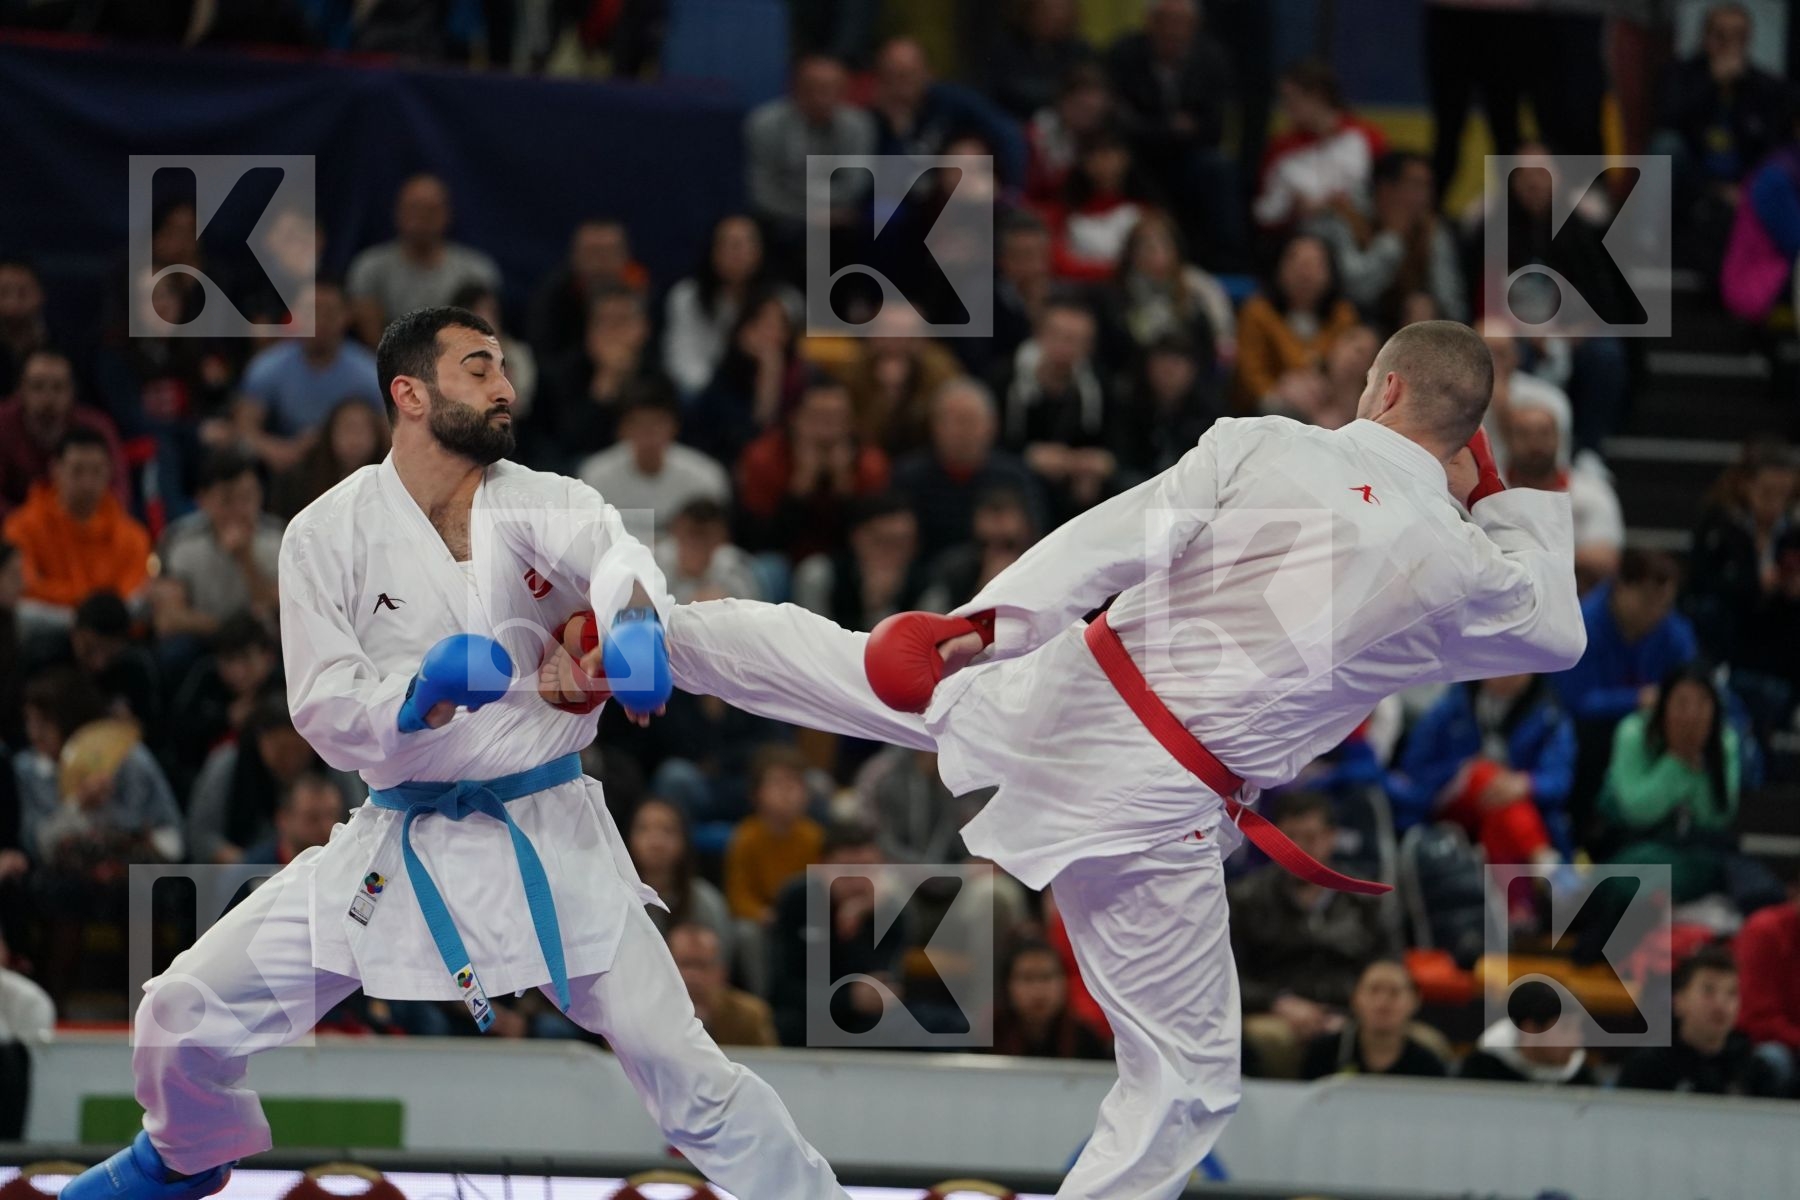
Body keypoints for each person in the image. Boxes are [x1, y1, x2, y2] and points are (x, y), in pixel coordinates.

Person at [652, 319, 1585, 1197]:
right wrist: (1504, 501)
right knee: (1187, 1079)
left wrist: (979, 627)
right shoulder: (1461, 566)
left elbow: (1107, 541)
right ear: (1468, 436)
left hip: (1071, 690)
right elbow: (1557, 634)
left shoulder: (1263, 441)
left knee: (837, 665)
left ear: (1383, 387)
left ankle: (650, 639)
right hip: (1156, 804)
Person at [60, 305, 853, 1200]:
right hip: (398, 843)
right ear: (410, 392)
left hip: (549, 836)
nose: (505, 387)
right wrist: (416, 700)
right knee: (178, 1011)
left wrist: (632, 621)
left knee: (688, 1077)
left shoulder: (540, 499)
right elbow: (319, 706)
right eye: (479, 368)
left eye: (505, 368)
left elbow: (616, 551)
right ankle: (186, 1154)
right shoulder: (327, 533)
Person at [1229, 791, 1397, 1078]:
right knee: (1268, 1040)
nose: (1298, 848)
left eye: (1309, 837)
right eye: (1289, 837)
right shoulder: (1247, 897)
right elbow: (1227, 976)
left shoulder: (1365, 900)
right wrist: (1278, 1003)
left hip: (1350, 1014)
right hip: (1274, 1014)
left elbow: (1389, 969)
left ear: (1331, 837)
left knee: (1420, 1044)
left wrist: (1357, 1014)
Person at [1595, 663, 1748, 908]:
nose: (1691, 714)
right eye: (1682, 703)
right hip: (1632, 843)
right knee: (1626, 880)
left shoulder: (1723, 740)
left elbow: (1717, 817)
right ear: (1663, 704)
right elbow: (1637, 812)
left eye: (1702, 704)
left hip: (1698, 852)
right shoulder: (1634, 733)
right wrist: (1676, 764)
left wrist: (1696, 768)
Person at [1105, 0, 1242, 267]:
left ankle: (1228, 263)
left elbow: (1214, 127)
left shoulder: (1213, 59)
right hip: (1138, 156)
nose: (1173, 31)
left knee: (1219, 167)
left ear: (1195, 27)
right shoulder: (1123, 54)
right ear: (1150, 23)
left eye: (1181, 23)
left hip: (1190, 158)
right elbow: (1119, 120)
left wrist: (1153, 125)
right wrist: (1171, 127)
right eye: (1166, 21)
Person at [1389, 674, 1577, 866]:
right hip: (1448, 802)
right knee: (1484, 776)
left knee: (1499, 813)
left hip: (1510, 814)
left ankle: (1522, 888)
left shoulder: (1549, 715)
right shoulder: (1454, 704)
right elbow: (1415, 766)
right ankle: (1544, 862)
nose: (1507, 673)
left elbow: (1560, 780)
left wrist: (1527, 783)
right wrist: (1462, 770)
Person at [222, 280, 382, 473]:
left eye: (328, 313)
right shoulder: (268, 367)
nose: (319, 321)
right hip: (287, 469)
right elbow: (244, 429)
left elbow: (390, 436)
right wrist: (278, 451)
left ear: (345, 316)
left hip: (351, 470)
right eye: (310, 313)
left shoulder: (368, 372)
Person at [736, 376, 892, 563]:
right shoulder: (764, 458)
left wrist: (844, 489)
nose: (827, 430)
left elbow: (874, 541)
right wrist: (799, 489)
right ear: (795, 418)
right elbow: (755, 541)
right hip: (782, 561)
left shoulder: (871, 464)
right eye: (818, 417)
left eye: (837, 418)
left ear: (852, 423)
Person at [2, 427, 151, 618]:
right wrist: (94, 605)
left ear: (110, 471)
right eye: (77, 471)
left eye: (96, 471)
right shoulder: (21, 528)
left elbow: (131, 596)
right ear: (55, 469)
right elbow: (23, 589)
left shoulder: (133, 536)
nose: (87, 483)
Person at [891, 378, 1044, 563]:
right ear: (933, 426)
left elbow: (1038, 539)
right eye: (948, 421)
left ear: (992, 425)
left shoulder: (1015, 477)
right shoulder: (909, 478)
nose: (959, 431)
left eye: (968, 421)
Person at [1308, 151, 1467, 328]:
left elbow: (1450, 302)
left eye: (1428, 187)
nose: (1425, 197)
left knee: (1421, 306)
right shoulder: (1346, 218)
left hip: (1402, 328)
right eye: (1416, 186)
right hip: (1341, 323)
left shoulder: (1430, 229)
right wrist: (1392, 240)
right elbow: (1355, 291)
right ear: (1386, 188)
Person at [345, 174, 502, 345]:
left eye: (430, 210)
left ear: (447, 214)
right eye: (413, 208)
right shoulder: (370, 268)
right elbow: (372, 340)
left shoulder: (476, 270)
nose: (421, 217)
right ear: (398, 212)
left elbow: (484, 333)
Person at [744, 54, 877, 251]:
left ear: (844, 91)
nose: (821, 98)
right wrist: (811, 215)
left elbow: (854, 186)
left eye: (830, 89)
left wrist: (806, 198)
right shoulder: (764, 124)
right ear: (795, 89)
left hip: (840, 218)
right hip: (782, 218)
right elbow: (762, 192)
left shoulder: (860, 125)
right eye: (812, 89)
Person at [1684, 438, 1797, 668]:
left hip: (1777, 633)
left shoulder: (1791, 531)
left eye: (1784, 494)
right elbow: (1700, 582)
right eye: (1767, 493)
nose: (1775, 504)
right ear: (1745, 484)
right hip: (1729, 628)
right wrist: (1756, 584)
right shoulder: (1718, 524)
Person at [150, 448, 283, 642]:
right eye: (227, 500)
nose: (239, 510)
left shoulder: (279, 539)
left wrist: (245, 559)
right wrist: (228, 632)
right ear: (203, 500)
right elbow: (168, 619)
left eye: (247, 498)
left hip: (262, 645)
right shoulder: (180, 540)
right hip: (205, 640)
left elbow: (282, 611)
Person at [661, 216, 799, 399]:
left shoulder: (785, 299)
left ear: (759, 250)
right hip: (704, 394)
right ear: (712, 250)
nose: (736, 253)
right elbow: (681, 361)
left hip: (770, 389)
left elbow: (796, 360)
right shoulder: (686, 296)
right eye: (727, 244)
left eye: (743, 244)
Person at [1617, 944, 1782, 1096]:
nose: (1720, 1004)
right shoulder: (1647, 1068)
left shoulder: (1755, 1071)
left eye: (1731, 993)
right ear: (1679, 1001)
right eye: (1708, 991)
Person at [1500, 398, 1625, 593]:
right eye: (1524, 434)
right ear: (1507, 440)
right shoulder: (1491, 491)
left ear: (1559, 438)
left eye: (1544, 433)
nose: (1535, 444)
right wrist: (1570, 559)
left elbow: (1606, 561)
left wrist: (1520, 557)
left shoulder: (1592, 491)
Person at [1252, 60, 1387, 232]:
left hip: (1361, 229)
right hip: (1302, 236)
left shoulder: (1368, 137)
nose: (1286, 108)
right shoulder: (1281, 147)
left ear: (1318, 95)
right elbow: (1264, 212)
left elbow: (1385, 194)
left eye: (1291, 99)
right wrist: (1293, 208)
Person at [577, 383, 729, 534]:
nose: (649, 433)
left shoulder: (705, 478)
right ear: (622, 428)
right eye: (639, 423)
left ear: (675, 426)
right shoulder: (595, 477)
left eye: (657, 423)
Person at [1233, 233, 1360, 412]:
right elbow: (1249, 374)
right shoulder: (1257, 312)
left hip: (1329, 407)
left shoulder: (1343, 315)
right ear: (1280, 268)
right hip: (1271, 410)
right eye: (1297, 263)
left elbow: (1350, 370)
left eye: (1315, 264)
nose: (1305, 273)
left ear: (1330, 272)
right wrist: (1280, 392)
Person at [0, 348, 128, 520]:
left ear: (72, 391)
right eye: (37, 387)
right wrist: (35, 526)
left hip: (85, 528)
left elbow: (118, 491)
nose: (48, 398)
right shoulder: (3, 424)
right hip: (19, 532)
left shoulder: (97, 428)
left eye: (58, 387)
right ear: (20, 390)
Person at [723, 744, 825, 927]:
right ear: (756, 793)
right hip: (762, 920)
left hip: (803, 919)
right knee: (746, 931)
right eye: (778, 783)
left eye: (795, 783)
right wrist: (763, 914)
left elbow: (822, 890)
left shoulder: (814, 837)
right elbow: (738, 896)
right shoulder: (746, 837)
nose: (787, 792)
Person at [1300, 958, 1446, 1080]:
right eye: (1373, 990)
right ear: (1355, 997)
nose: (1382, 1002)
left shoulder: (1428, 1065)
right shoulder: (1323, 1054)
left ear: (1415, 1000)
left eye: (1394, 992)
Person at [528, 218, 650, 362]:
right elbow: (544, 358)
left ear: (625, 255)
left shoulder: (645, 294)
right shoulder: (551, 300)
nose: (599, 263)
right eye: (591, 253)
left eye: (607, 252)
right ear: (575, 257)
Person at [627, 797, 733, 962]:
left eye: (667, 830)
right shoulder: (616, 899)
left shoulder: (706, 902)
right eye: (644, 829)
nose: (656, 842)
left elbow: (718, 967)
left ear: (684, 840)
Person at [269, 398, 391, 521]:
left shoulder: (390, 481)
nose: (355, 439)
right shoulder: (301, 480)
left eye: (362, 430)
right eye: (348, 428)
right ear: (330, 433)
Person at [991, 938, 1112, 1060]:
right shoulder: (988, 1037)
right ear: (1007, 985)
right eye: (1027, 978)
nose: (1038, 990)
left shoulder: (1087, 1041)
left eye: (1047, 977)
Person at [1460, 981, 1595, 1086]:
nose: (1576, 1040)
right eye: (1566, 1028)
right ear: (1530, 1030)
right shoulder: (1480, 1073)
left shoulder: (1582, 1079)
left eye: (1578, 1028)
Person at [1735, 883, 1800, 1096]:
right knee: (1771, 1057)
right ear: (1793, 894)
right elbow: (1757, 1019)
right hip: (1772, 1044)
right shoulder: (1765, 931)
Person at [669, 922, 777, 1048]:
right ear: (665, 967)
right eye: (685, 964)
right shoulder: (649, 1013)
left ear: (721, 972)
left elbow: (769, 1064)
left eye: (702, 965)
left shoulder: (749, 1016)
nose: (693, 976)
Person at [654, 498, 761, 606]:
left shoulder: (734, 566)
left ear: (721, 538)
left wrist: (728, 602)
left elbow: (754, 610)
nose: (696, 545)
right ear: (675, 531)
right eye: (691, 535)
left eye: (705, 537)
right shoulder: (656, 561)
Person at [239, 771, 350, 868]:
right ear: (283, 820)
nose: (327, 827)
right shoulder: (252, 872)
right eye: (312, 818)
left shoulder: (350, 867)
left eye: (332, 815)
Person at [0, 258, 48, 398]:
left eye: (22, 293)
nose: (13, 301)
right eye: (4, 292)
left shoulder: (67, 346)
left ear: (41, 294)